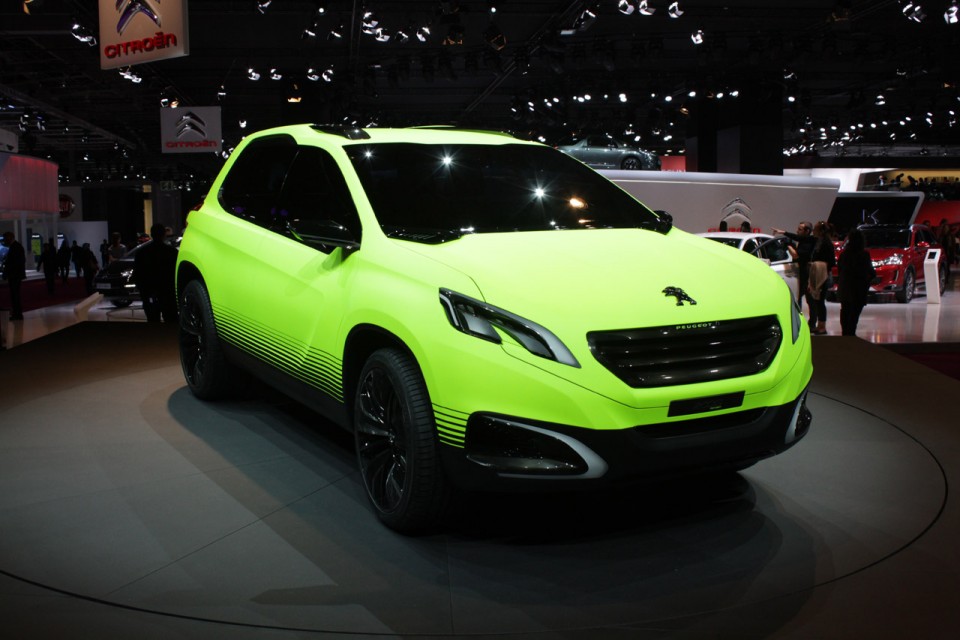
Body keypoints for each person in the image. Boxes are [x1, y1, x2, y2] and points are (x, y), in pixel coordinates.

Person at [134, 223, 179, 323]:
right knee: (171, 322)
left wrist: (143, 292)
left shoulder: (142, 252)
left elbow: (138, 274)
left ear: (151, 234)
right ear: (164, 234)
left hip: (149, 292)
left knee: (153, 322)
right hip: (168, 293)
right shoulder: (172, 252)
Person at [837, 228, 876, 337]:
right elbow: (870, 271)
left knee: (845, 310)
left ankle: (845, 333)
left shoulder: (844, 254)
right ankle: (851, 333)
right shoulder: (864, 255)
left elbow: (840, 269)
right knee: (854, 314)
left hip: (845, 286)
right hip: (859, 287)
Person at [772, 221, 815, 309]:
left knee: (808, 299)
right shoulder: (804, 240)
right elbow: (796, 237)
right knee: (799, 297)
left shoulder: (809, 242)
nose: (797, 231)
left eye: (800, 229)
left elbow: (795, 255)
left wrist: (788, 245)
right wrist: (783, 232)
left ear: (807, 231)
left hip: (805, 274)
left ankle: (809, 317)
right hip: (799, 272)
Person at [806, 221, 836, 335]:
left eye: (815, 229)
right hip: (818, 274)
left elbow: (831, 262)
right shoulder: (820, 241)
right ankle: (820, 325)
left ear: (820, 231)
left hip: (822, 276)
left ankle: (822, 326)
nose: (813, 231)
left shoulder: (826, 243)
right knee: (817, 301)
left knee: (820, 301)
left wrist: (817, 264)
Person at [1, 231, 26, 320]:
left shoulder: (15, 247)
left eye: (5, 238)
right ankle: (17, 313)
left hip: (14, 275)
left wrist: (6, 272)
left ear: (9, 238)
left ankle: (17, 313)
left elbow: (13, 263)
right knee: (15, 294)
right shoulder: (16, 246)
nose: (4, 241)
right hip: (16, 274)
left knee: (15, 295)